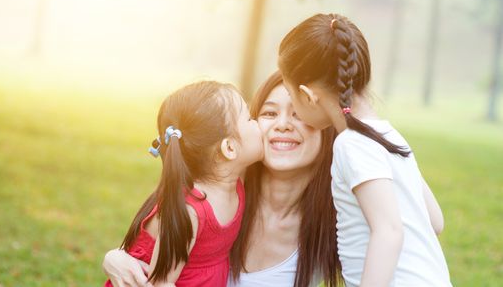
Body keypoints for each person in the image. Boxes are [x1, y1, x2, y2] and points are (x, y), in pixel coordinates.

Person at [103, 71, 342, 287]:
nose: (282, 125)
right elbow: (155, 262)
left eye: (299, 113)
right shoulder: (201, 200)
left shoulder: (337, 221)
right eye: (265, 114)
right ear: (229, 148)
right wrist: (115, 257)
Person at [278, 13, 452, 287]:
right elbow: (436, 221)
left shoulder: (352, 144)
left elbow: (388, 231)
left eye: (290, 96)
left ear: (309, 96)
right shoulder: (388, 136)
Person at [104, 80, 263, 287]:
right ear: (230, 149)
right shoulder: (192, 211)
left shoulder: (235, 180)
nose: (258, 122)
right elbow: (161, 284)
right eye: (249, 118)